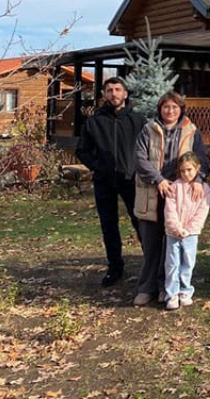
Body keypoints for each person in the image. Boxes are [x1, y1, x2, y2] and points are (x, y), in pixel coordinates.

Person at [133, 92, 209, 307]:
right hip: (152, 192)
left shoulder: (191, 131)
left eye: (175, 107)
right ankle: (147, 287)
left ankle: (168, 289)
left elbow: (201, 159)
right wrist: (158, 179)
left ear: (181, 109)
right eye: (166, 107)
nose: (170, 111)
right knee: (151, 243)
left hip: (180, 195)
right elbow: (140, 157)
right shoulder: (148, 130)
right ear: (160, 109)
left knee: (175, 246)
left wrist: (198, 179)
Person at [77, 76, 146, 287]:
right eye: (109, 90)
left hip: (131, 179)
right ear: (104, 95)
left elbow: (149, 149)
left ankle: (152, 264)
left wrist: (139, 170)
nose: (113, 93)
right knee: (109, 226)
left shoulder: (138, 120)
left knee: (141, 222)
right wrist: (98, 167)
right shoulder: (94, 122)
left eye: (117, 89)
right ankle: (115, 267)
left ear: (125, 93)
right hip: (104, 181)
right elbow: (83, 151)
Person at [162, 152, 210, 310]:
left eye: (189, 170)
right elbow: (170, 210)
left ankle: (185, 290)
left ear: (197, 169)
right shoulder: (175, 186)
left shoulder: (204, 189)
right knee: (172, 263)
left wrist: (189, 230)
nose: (186, 174)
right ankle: (172, 294)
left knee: (188, 262)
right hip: (173, 233)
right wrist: (176, 228)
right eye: (183, 171)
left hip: (191, 233)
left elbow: (202, 211)